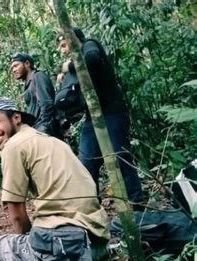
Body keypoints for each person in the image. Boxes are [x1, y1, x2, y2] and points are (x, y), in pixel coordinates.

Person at [0, 97, 109, 261]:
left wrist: (19, 255)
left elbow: (18, 217)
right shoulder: (53, 141)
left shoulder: (13, 146)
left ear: (16, 118)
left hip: (67, 248)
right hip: (98, 243)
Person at [57, 28, 144, 208]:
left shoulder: (90, 45)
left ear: (75, 39)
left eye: (65, 45)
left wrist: (69, 67)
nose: (63, 50)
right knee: (86, 161)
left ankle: (136, 204)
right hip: (92, 117)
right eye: (61, 47)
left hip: (112, 112)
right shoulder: (78, 62)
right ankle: (91, 206)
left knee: (121, 158)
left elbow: (92, 60)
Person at [10, 52, 61, 139]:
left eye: (16, 66)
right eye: (12, 68)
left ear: (27, 64)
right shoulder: (27, 84)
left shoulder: (38, 76)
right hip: (37, 127)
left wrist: (45, 129)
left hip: (45, 128)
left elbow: (47, 104)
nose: (14, 70)